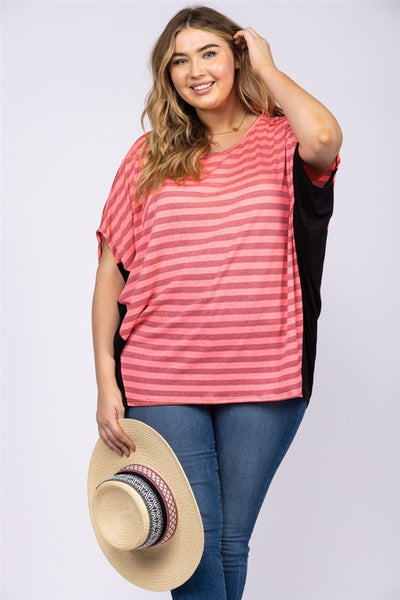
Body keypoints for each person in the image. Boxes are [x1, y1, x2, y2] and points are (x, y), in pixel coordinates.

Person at [92, 5, 342, 599]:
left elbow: (325, 138)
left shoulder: (283, 140)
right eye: (180, 60)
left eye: (209, 53)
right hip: (160, 372)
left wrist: (268, 68)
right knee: (189, 543)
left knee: (229, 541)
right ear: (168, 75)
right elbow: (109, 276)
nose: (196, 70)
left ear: (237, 57)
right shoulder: (148, 155)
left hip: (265, 372)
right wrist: (105, 381)